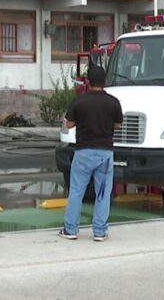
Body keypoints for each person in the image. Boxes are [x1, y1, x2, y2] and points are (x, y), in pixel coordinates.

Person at [59, 65, 123, 242]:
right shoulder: (113, 102)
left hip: (83, 152)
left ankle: (70, 230)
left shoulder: (79, 102)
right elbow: (118, 124)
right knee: (102, 194)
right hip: (105, 154)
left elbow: (70, 124)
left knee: (77, 192)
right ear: (105, 82)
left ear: (87, 81)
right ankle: (100, 232)